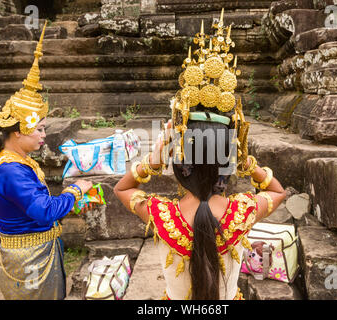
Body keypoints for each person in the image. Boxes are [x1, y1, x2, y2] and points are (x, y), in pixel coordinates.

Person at [114, 10, 286, 300]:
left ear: (179, 165)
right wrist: (248, 163)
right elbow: (277, 191)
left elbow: (122, 188)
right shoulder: (242, 211)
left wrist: (153, 161)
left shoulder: (161, 214)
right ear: (228, 165)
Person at [0, 24, 92, 300]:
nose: (44, 135)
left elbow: (35, 209)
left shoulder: (19, 161)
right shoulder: (9, 171)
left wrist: (71, 203)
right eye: (39, 129)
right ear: (18, 132)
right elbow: (42, 211)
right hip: (29, 263)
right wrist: (75, 191)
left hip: (37, 253)